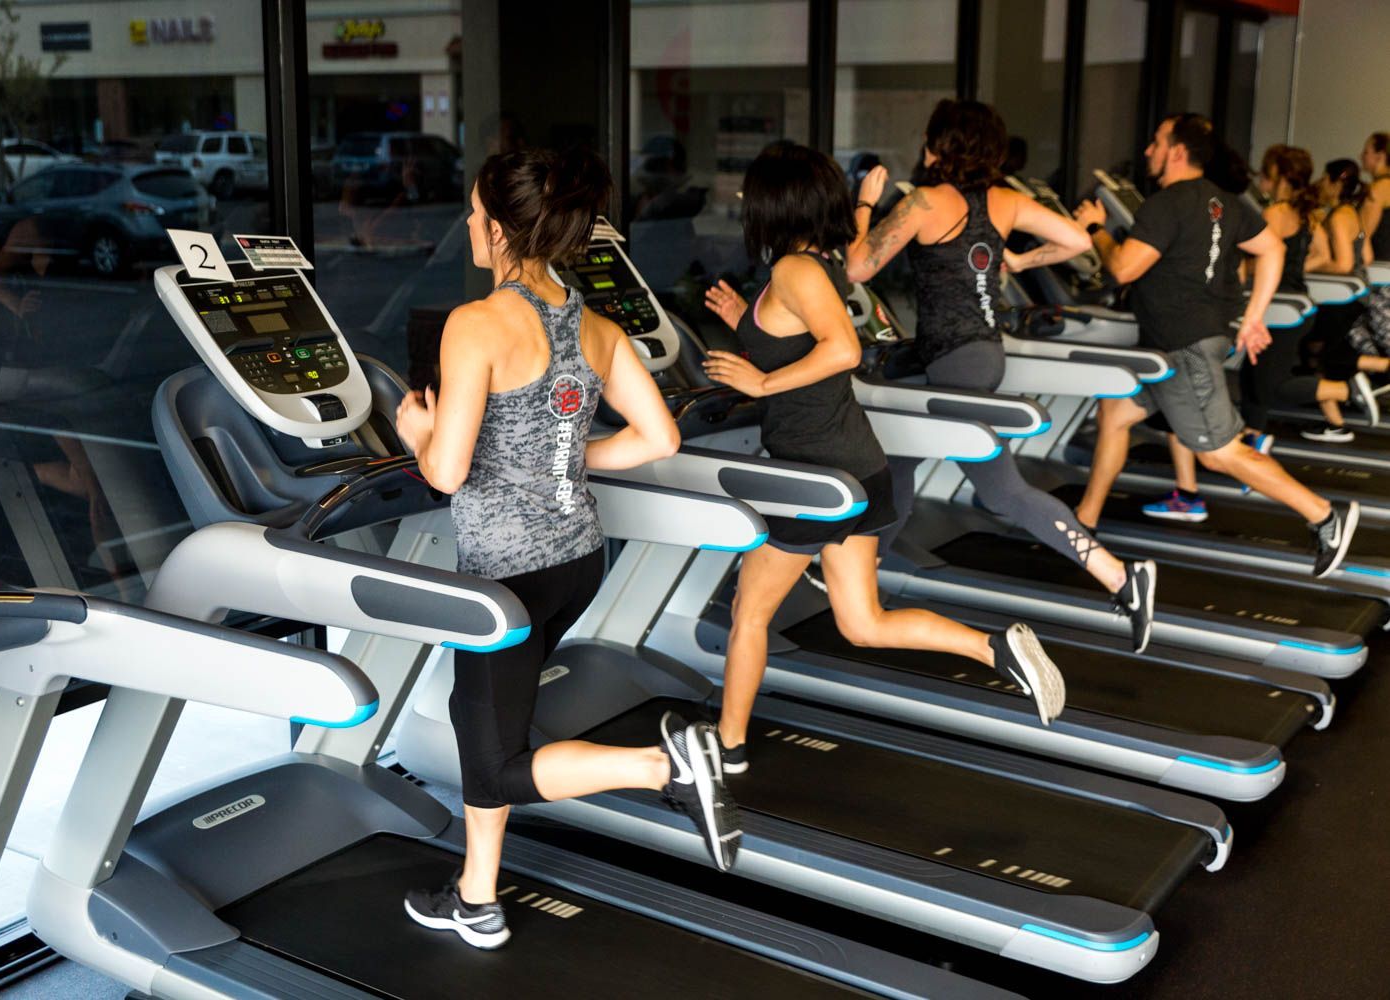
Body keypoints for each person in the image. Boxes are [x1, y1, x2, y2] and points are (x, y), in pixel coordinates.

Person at [394, 147, 740, 950]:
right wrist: (555, 453)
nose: (468, 224)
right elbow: (660, 437)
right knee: (483, 722)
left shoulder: (476, 323)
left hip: (504, 580)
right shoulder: (597, 325)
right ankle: (475, 895)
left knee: (496, 762)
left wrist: (417, 432)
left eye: (477, 214)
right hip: (577, 561)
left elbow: (446, 471)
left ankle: (667, 768)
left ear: (505, 229)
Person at [700, 142, 1067, 777]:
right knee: (863, 622)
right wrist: (744, 321)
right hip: (852, 467)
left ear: (772, 203)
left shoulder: (795, 269)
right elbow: (800, 347)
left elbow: (840, 350)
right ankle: (994, 647)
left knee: (749, 613)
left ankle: (727, 748)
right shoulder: (816, 265)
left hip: (815, 476)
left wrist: (756, 386)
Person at [842, 99, 1157, 653]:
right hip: (984, 352)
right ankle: (856, 573)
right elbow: (1078, 241)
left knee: (1001, 489)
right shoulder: (1005, 200)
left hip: (956, 360)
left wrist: (864, 207)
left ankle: (1121, 578)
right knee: (904, 461)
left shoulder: (921, 201)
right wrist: (1016, 262)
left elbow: (857, 267)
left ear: (939, 144)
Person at [1073, 114, 1358, 577]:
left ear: (1177, 152)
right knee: (1114, 413)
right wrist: (1252, 317)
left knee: (1218, 452)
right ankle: (1084, 523)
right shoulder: (1225, 203)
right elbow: (1272, 250)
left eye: (1156, 142)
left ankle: (1325, 515)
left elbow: (1124, 268)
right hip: (1175, 346)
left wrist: (1096, 230)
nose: (1148, 150)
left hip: (1183, 347)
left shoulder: (1164, 205)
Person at [1143, 145, 1344, 520]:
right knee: (1252, 390)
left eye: (1266, 175)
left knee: (1258, 395)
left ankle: (1312, 505)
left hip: (1256, 314)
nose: (1262, 182)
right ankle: (1234, 457)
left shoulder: (1270, 213)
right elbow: (1325, 258)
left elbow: (1246, 261)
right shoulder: (1310, 214)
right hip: (1297, 304)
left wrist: (1244, 297)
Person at [1303, 159, 1383, 439]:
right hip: (1358, 295)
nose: (1321, 185)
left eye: (1324, 178)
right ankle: (1335, 424)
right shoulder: (1354, 214)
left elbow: (1343, 264)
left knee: (1320, 352)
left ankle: (1380, 368)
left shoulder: (1337, 216)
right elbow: (1367, 257)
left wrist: (1307, 266)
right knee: (1324, 355)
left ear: (1335, 181)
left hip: (1341, 298)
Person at [1359, 132, 1390, 262]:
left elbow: (1363, 233)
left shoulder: (1379, 188)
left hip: (1380, 267)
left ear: (1380, 156)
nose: (1361, 156)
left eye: (1366, 152)